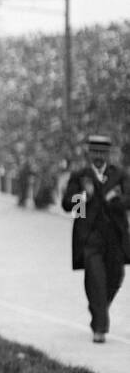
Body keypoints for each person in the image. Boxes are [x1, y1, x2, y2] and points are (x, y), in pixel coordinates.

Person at [60, 134, 129, 344]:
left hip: (115, 239)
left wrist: (116, 200)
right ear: (89, 153)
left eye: (102, 152)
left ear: (108, 154)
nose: (98, 156)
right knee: (96, 280)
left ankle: (98, 309)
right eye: (95, 152)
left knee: (115, 277)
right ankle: (100, 327)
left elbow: (129, 201)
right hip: (89, 238)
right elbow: (67, 205)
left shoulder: (119, 175)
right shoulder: (81, 176)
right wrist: (83, 197)